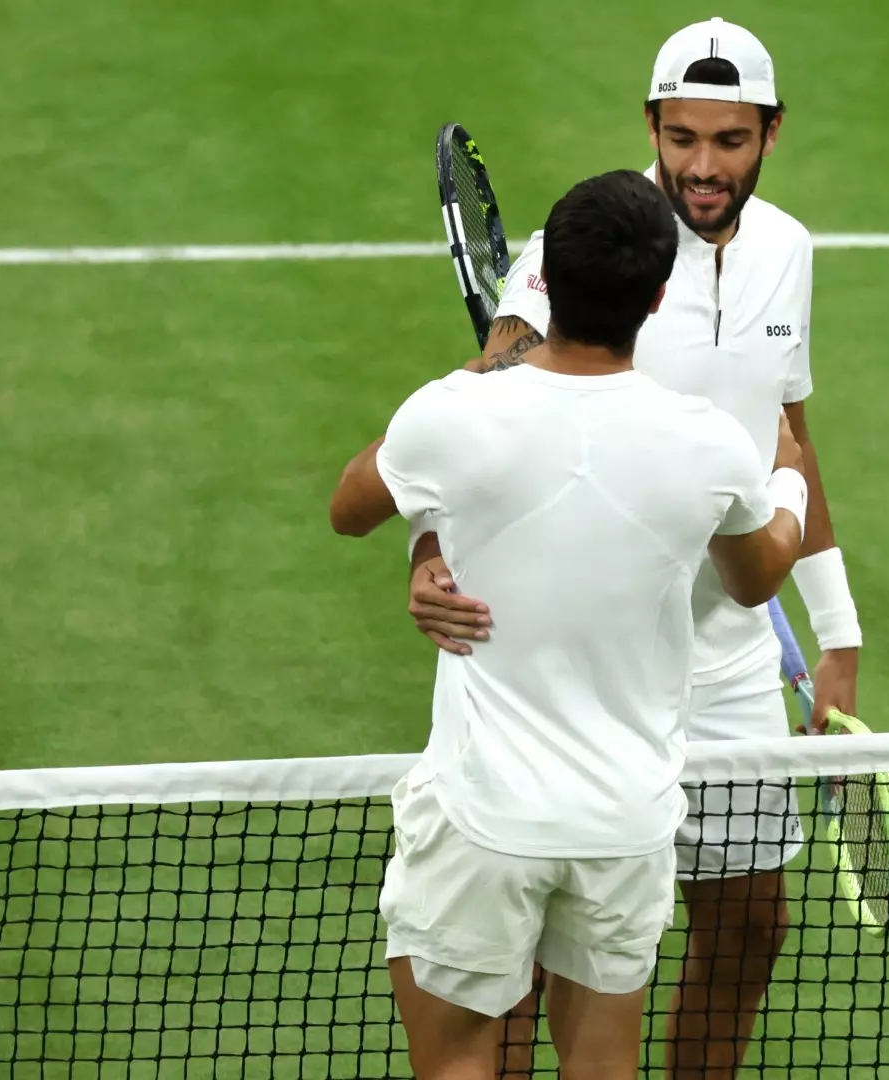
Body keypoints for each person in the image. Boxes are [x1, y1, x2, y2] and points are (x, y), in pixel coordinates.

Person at [404, 18, 867, 1079]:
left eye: (731, 140)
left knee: (751, 924)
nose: (704, 166)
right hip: (580, 660)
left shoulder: (790, 253)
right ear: (653, 125)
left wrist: (836, 633)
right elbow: (477, 407)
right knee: (528, 964)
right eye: (685, 136)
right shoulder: (579, 254)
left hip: (731, 653)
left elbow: (789, 436)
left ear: (771, 135)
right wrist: (427, 553)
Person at [328, 169, 810, 1080]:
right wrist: (784, 477)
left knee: (460, 1059)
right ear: (659, 297)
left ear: (542, 283)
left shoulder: (451, 416)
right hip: (624, 823)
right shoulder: (708, 444)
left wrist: (475, 375)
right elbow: (756, 579)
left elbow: (352, 506)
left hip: (484, 818)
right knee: (600, 1063)